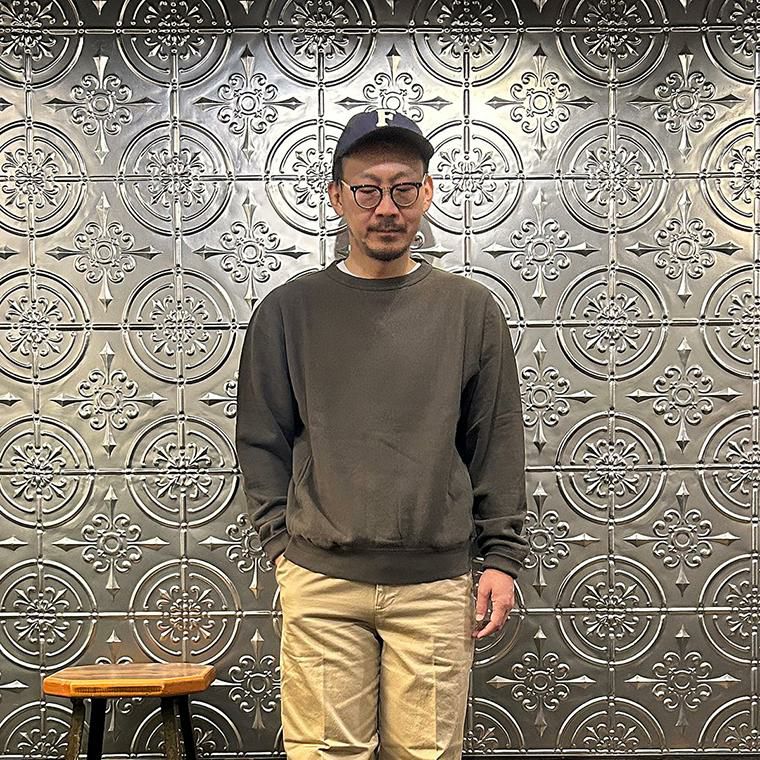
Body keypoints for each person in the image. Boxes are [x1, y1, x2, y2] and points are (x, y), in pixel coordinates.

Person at [235, 109, 528, 759]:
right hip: (321, 583)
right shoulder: (289, 311)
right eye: (367, 190)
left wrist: (502, 558)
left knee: (427, 754)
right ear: (337, 197)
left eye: (403, 188)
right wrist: (282, 547)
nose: (386, 208)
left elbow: (496, 440)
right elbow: (261, 439)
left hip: (435, 585)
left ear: (427, 194)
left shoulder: (469, 310)